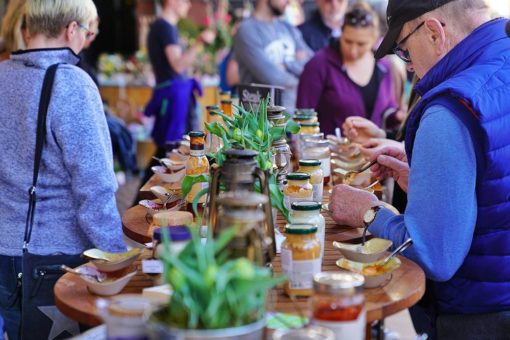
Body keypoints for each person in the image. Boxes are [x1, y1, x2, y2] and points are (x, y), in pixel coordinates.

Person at [329, 0, 510, 338]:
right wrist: (432, 180)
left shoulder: (451, 109)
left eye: (405, 51)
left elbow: (435, 254)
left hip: (478, 315)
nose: (409, 67)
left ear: (432, 32)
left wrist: (369, 212)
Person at [0, 0, 126, 338]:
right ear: (72, 29)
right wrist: (117, 259)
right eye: (86, 32)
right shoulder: (72, 85)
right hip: (54, 263)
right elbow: (95, 189)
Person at [137, 0, 215, 199]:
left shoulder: (164, 27)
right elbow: (178, 66)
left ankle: (145, 199)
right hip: (173, 102)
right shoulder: (165, 28)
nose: (188, 5)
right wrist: (199, 42)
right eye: (185, 1)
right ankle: (144, 201)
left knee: (169, 152)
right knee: (172, 151)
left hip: (174, 99)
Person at [297, 2, 402, 137]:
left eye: (361, 44)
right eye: (348, 41)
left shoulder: (384, 67)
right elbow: (303, 115)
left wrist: (397, 117)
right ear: (340, 33)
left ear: (374, 39)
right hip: (332, 152)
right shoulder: (319, 64)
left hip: (372, 152)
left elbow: (386, 111)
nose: (353, 51)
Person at [233, 0, 312, 111]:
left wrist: (286, 65)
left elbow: (314, 64)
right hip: (261, 122)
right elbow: (276, 79)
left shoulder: (288, 28)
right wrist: (305, 78)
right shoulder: (247, 30)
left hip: (296, 117)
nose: (289, 1)